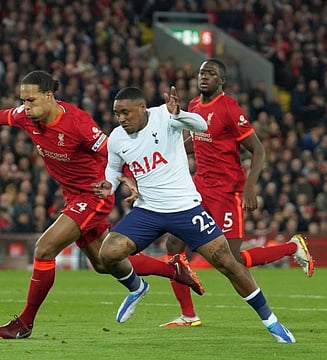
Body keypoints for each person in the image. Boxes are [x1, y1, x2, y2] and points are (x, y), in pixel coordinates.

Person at [0, 70, 203, 340]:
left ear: (49, 96)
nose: (25, 106)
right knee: (104, 263)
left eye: (31, 100)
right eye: (22, 100)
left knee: (44, 249)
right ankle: (169, 271)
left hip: (93, 195)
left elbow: (112, 150)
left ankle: (25, 323)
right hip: (72, 195)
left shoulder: (78, 124)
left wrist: (128, 178)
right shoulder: (26, 117)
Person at [92, 86, 296, 343]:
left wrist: (179, 114)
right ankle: (137, 288)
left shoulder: (165, 116)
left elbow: (199, 125)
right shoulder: (118, 137)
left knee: (228, 262)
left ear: (142, 108)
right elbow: (112, 167)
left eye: (125, 112)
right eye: (116, 113)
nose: (120, 118)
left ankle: (272, 322)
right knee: (108, 254)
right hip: (148, 210)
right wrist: (108, 184)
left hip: (185, 208)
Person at [160, 59, 314, 328]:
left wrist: (249, 187)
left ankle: (293, 247)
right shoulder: (195, 106)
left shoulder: (230, 108)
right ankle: (188, 315)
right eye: (201, 72)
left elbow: (258, 150)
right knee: (173, 245)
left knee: (232, 261)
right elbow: (195, 140)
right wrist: (166, 152)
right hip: (199, 189)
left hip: (226, 191)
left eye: (211, 73)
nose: (204, 76)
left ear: (222, 81)